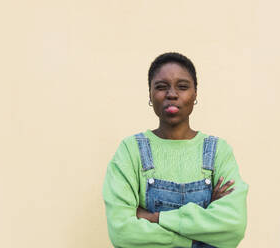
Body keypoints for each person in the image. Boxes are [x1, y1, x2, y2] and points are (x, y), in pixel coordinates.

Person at [102, 52, 249, 248]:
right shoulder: (131, 151)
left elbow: (233, 226)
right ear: (150, 94)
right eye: (161, 87)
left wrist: (154, 218)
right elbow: (122, 232)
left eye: (182, 87)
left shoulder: (218, 151)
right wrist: (197, 237)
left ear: (195, 94)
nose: (172, 94)